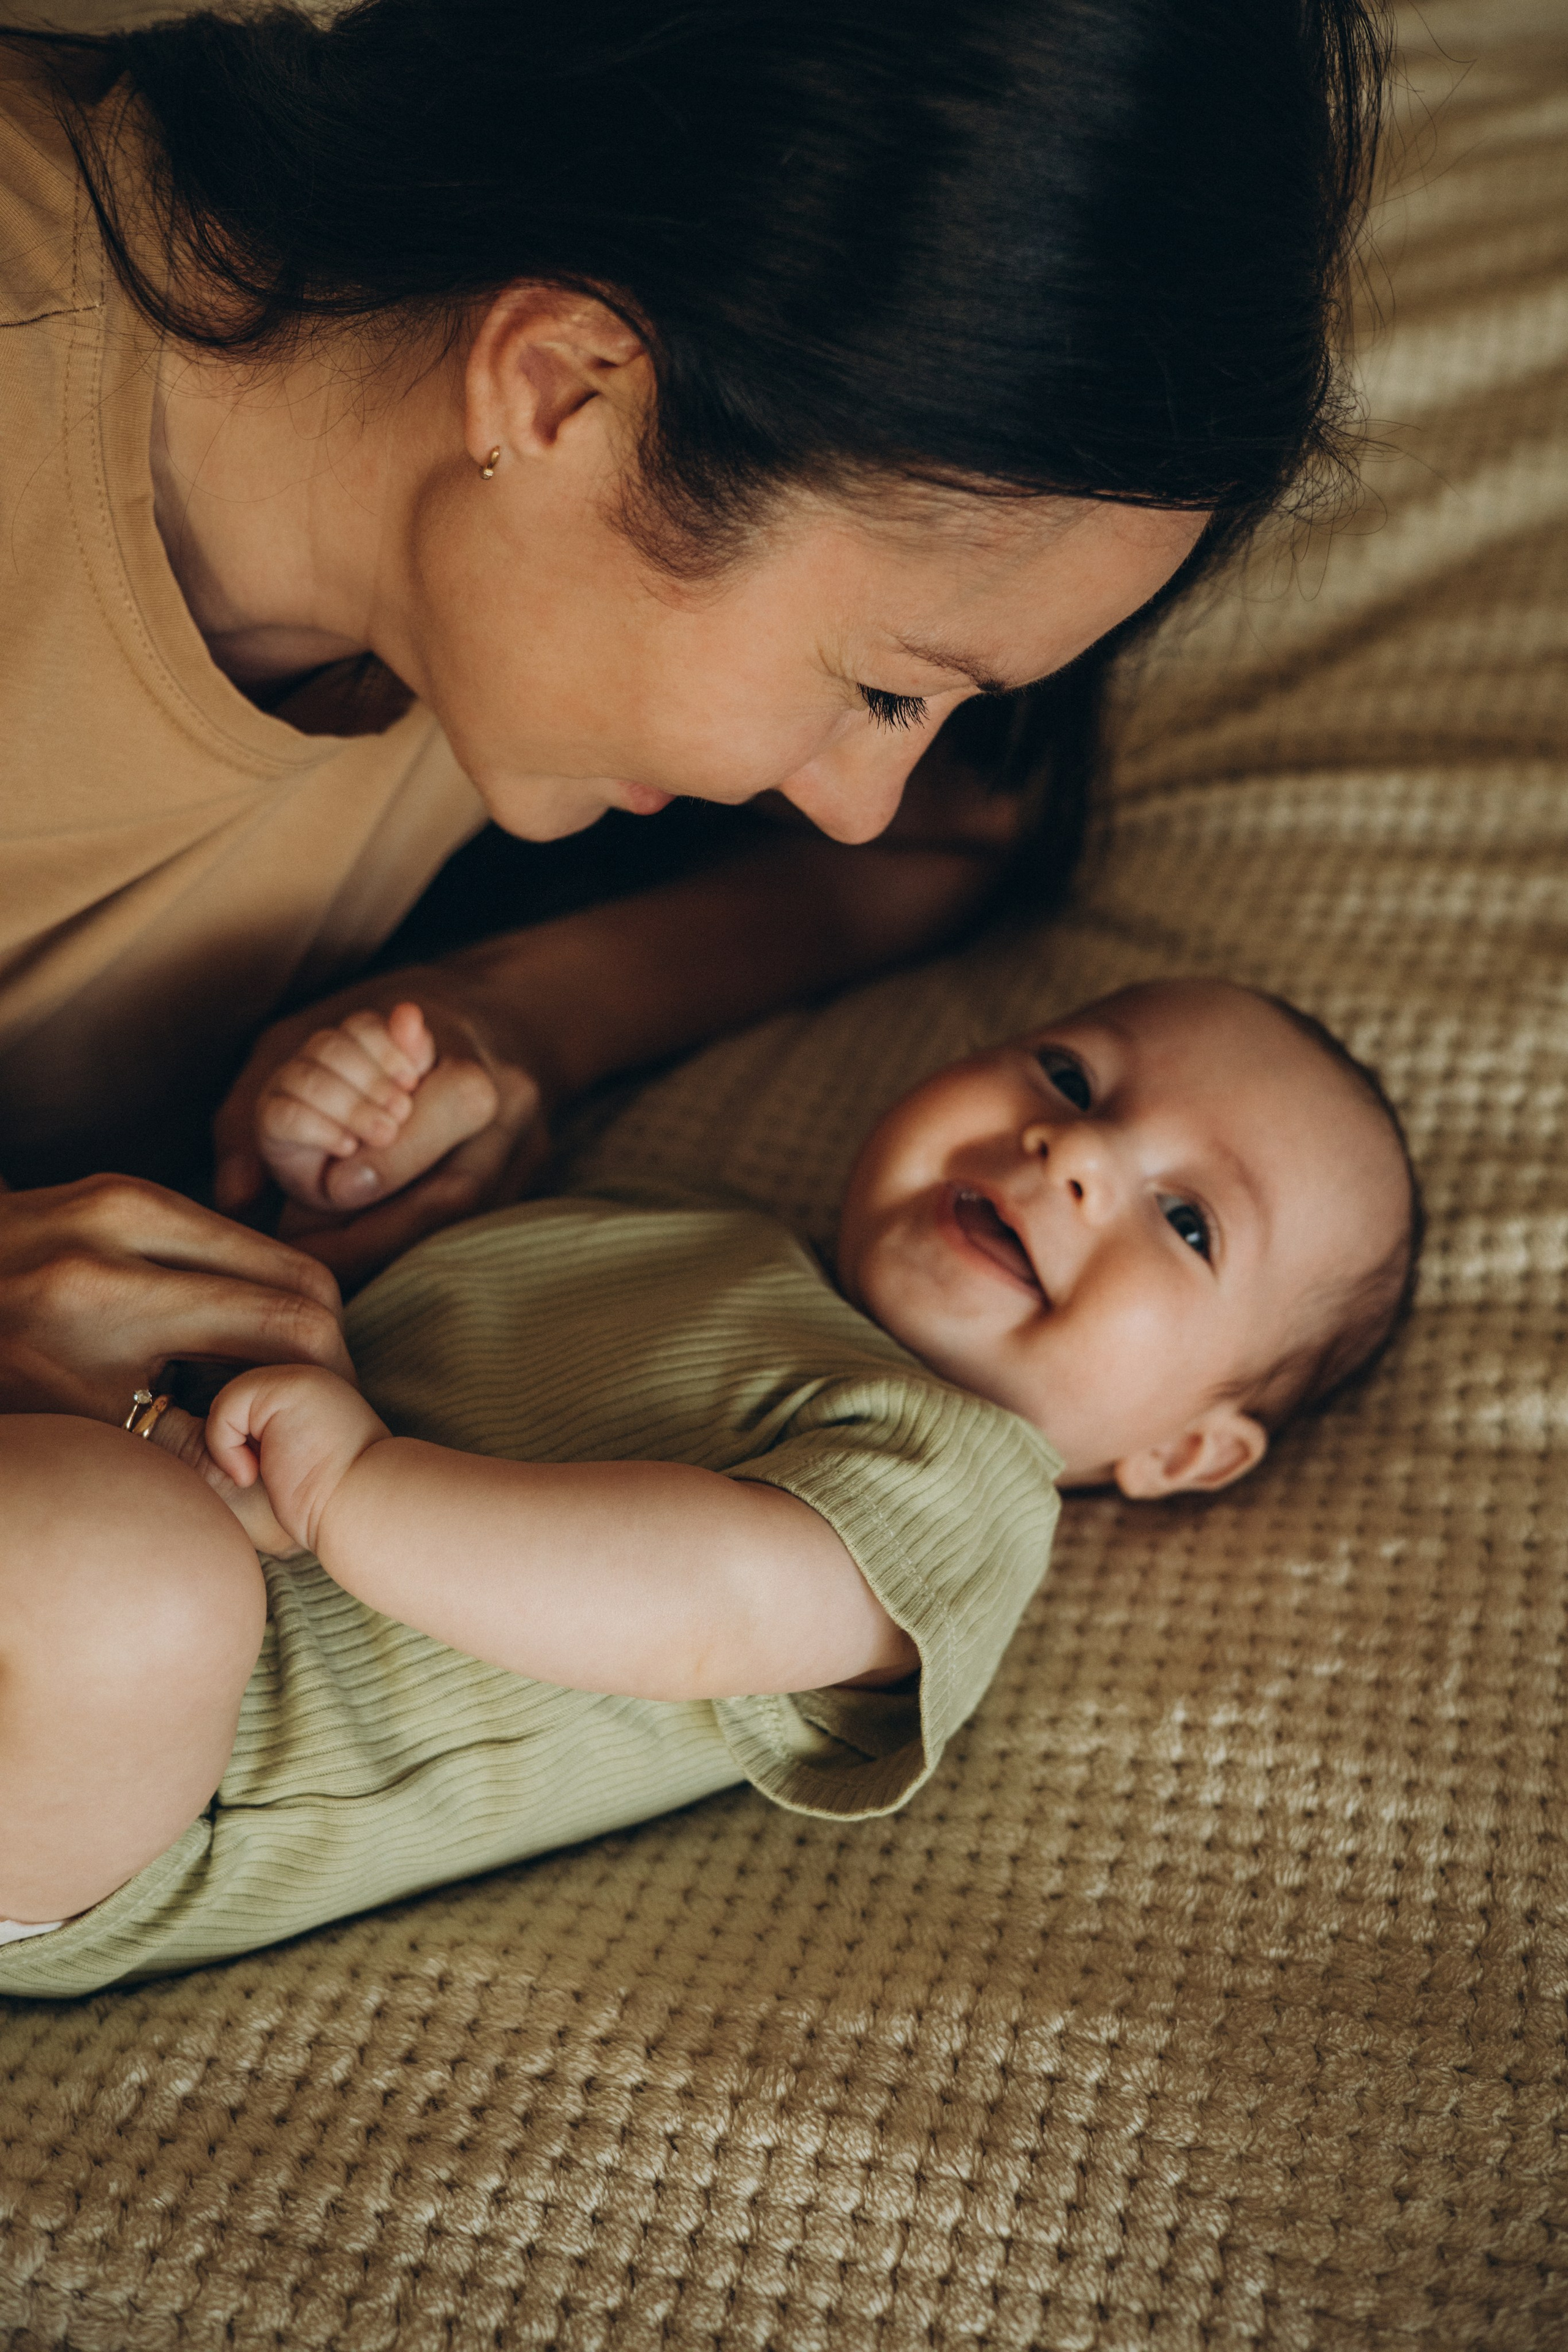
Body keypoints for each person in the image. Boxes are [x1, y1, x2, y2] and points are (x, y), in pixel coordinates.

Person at [0, 0, 1388, 1424]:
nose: (856, 808)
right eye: (885, 689)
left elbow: (972, 825)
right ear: (559, 394)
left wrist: (516, 1020)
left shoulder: (481, 540)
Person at [0, 978, 1423, 1995]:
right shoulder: (676, 1225)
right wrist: (332, 1194)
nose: (1078, 1154)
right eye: (1067, 1077)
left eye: (1185, 1221)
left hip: (150, 1796)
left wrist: (352, 1489)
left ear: (1181, 1453)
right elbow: (360, 1335)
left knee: (135, 1580)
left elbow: (711, 1598)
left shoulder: (964, 1483)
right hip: (90, 1508)